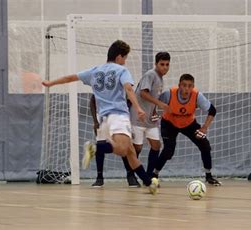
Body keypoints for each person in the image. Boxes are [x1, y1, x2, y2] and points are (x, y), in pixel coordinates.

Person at [42, 40, 159, 194]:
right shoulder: (121, 70)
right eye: (125, 58)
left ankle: (148, 183)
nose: (125, 61)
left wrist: (51, 83)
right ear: (119, 57)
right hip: (118, 115)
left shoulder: (94, 71)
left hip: (104, 119)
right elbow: (129, 89)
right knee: (123, 149)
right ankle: (95, 148)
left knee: (130, 152)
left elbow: (70, 78)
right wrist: (138, 108)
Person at [153, 74, 221, 186]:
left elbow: (212, 110)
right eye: (184, 85)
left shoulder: (197, 96)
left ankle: (209, 176)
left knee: (205, 145)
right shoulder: (169, 94)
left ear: (193, 86)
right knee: (168, 151)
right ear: (179, 85)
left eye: (190, 86)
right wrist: (154, 119)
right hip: (169, 123)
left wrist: (204, 128)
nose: (187, 89)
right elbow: (154, 105)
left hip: (189, 124)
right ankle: (154, 175)